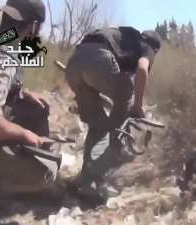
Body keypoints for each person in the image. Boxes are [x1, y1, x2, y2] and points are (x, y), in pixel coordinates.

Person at [0, 0, 57, 209]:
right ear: (33, 27)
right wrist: (23, 134)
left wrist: (21, 92)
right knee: (44, 172)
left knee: (35, 107)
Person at [65, 26, 161, 198]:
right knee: (122, 114)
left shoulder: (125, 40)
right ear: (155, 48)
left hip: (74, 62)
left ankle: (85, 179)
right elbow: (141, 69)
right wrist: (137, 106)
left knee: (98, 125)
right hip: (98, 60)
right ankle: (97, 176)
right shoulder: (147, 47)